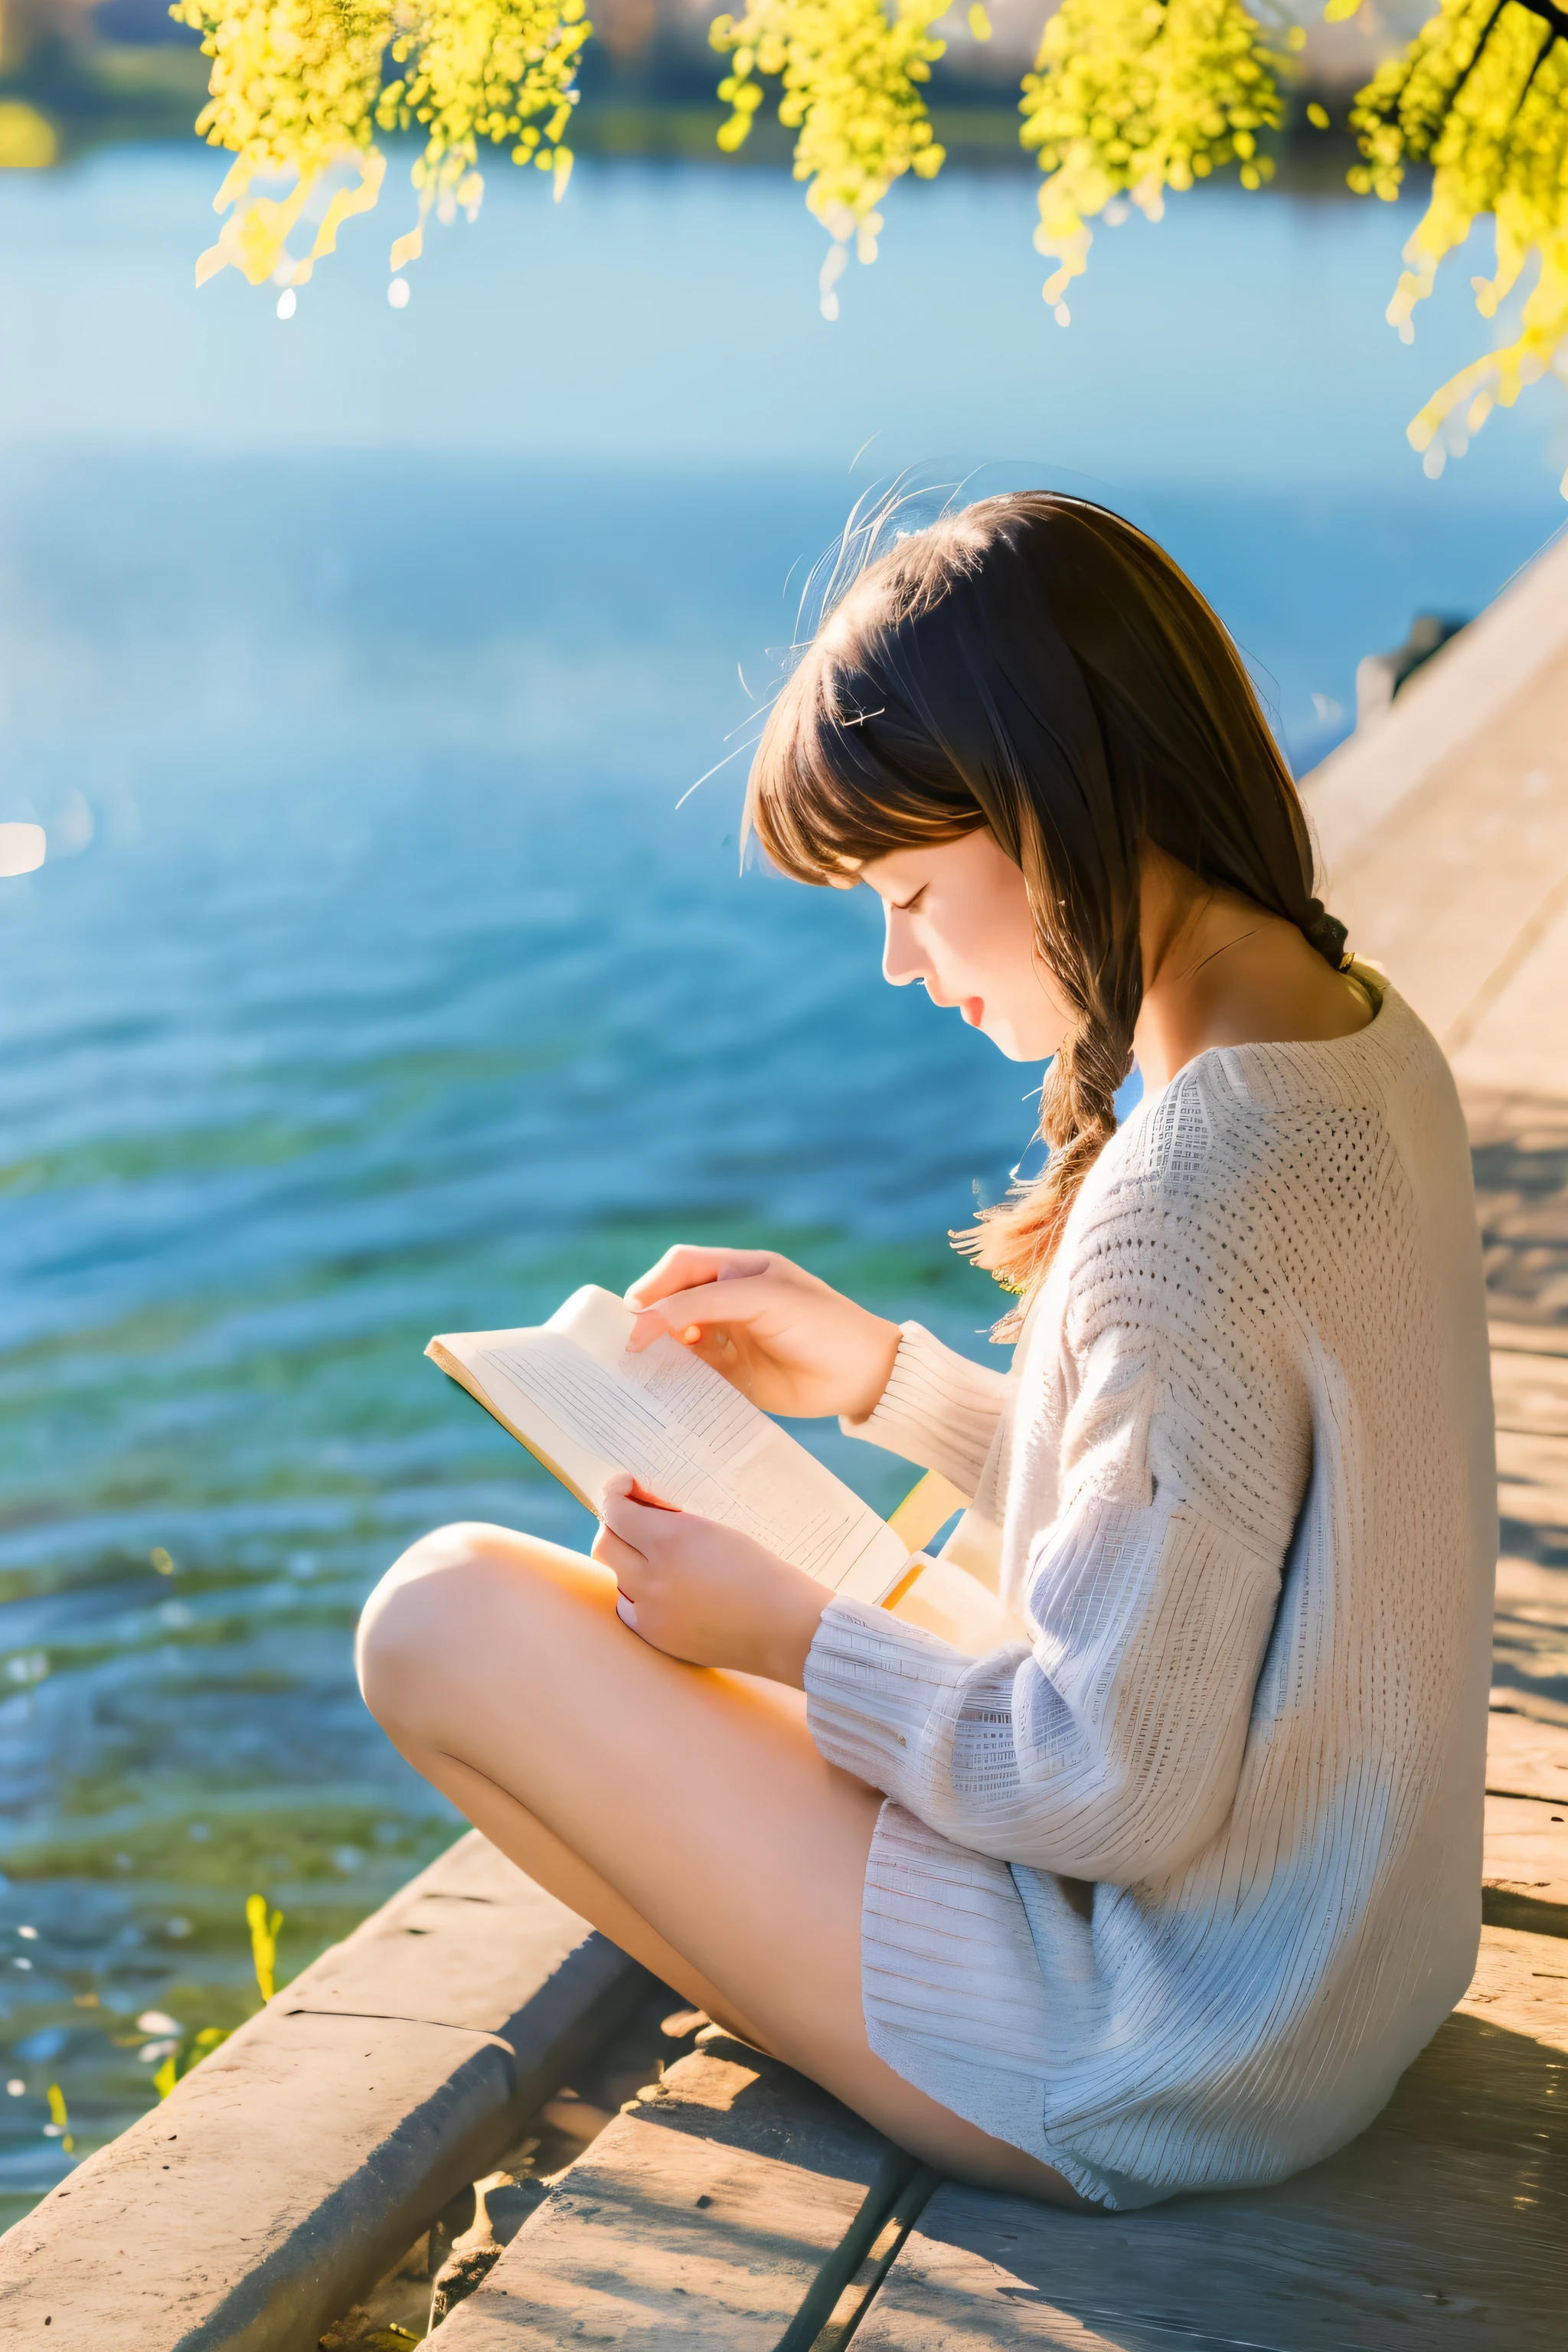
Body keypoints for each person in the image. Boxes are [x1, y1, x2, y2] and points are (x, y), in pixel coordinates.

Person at [356, 495, 1495, 2211]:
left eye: (906, 891)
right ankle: (853, 1986)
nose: (897, 959)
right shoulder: (1353, 1040)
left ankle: (877, 2065)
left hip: (1164, 2046)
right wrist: (881, 1380)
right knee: (744, 1643)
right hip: (1322, 1965)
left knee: (437, 1620)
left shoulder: (1191, 1191)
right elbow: (1228, 1558)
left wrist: (792, 1634)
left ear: (1052, 806)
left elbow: (1112, 1782)